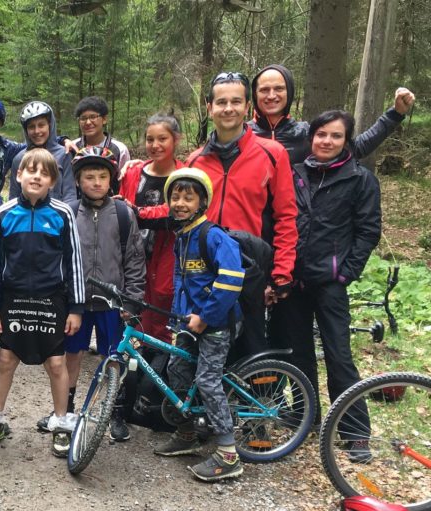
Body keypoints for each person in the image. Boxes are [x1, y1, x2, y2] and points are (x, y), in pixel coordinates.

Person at [136, 72, 297, 361]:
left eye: (236, 101)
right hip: (203, 270)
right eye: (221, 102)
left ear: (248, 107)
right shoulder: (197, 160)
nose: (228, 108)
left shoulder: (272, 153)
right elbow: (178, 209)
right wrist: (134, 211)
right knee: (200, 358)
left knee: (248, 357)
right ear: (209, 107)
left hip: (248, 269)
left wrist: (281, 274)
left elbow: (286, 217)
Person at [272, 111, 381, 439]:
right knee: (299, 353)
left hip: (331, 283)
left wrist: (346, 273)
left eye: (335, 136)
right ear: (311, 137)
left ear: (346, 141)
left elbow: (368, 230)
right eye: (321, 135)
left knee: (339, 357)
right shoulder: (295, 174)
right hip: (294, 281)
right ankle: (307, 417)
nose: (327, 141)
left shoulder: (359, 178)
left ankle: (354, 432)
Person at [35, 147, 147, 442]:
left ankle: (115, 412)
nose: (96, 182)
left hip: (113, 302)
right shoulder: (67, 213)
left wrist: (132, 299)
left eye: (102, 176)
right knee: (72, 355)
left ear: (111, 180)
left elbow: (134, 259)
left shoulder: (123, 214)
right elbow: (55, 258)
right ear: (78, 180)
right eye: (89, 177)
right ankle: (66, 409)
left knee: (115, 357)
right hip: (77, 303)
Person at [0, 148, 84, 457]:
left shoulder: (63, 214)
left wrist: (76, 308)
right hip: (14, 299)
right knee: (6, 360)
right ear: (19, 176)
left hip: (51, 300)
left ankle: (62, 423)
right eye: (30, 170)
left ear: (52, 180)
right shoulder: (4, 214)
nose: (36, 175)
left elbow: (74, 262)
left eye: (44, 172)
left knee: (56, 364)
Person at [153, 168, 244, 482]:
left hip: (216, 323)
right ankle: (187, 434)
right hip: (189, 322)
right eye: (175, 197)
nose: (180, 203)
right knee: (177, 370)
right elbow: (183, 283)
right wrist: (179, 319)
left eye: (188, 197)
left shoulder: (212, 236)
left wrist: (205, 316)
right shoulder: (182, 236)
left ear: (202, 201)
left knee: (207, 381)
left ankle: (228, 455)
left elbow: (231, 283)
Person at [250, 64, 415, 166]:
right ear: (255, 95)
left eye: (279, 89)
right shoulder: (243, 135)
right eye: (264, 90)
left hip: (295, 220)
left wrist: (395, 114)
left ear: (290, 92)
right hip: (249, 221)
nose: (271, 95)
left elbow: (357, 148)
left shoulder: (305, 133)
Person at [118, 113, 185, 344]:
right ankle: (134, 371)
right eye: (149, 139)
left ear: (176, 140)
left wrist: (136, 212)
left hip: (167, 256)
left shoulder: (184, 176)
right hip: (134, 256)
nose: (155, 145)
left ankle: (156, 372)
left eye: (162, 139)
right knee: (131, 318)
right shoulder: (134, 172)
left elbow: (174, 212)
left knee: (158, 321)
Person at [8, 101, 77, 208]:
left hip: (56, 219)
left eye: (41, 125)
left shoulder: (64, 154)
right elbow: (14, 197)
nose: (37, 131)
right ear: (26, 130)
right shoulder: (19, 158)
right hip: (26, 218)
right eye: (31, 127)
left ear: (50, 125)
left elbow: (70, 194)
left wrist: (63, 218)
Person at [71, 96, 131, 170]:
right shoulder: (72, 147)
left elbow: (124, 178)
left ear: (104, 119)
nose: (88, 122)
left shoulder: (119, 149)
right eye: (83, 118)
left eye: (93, 117)